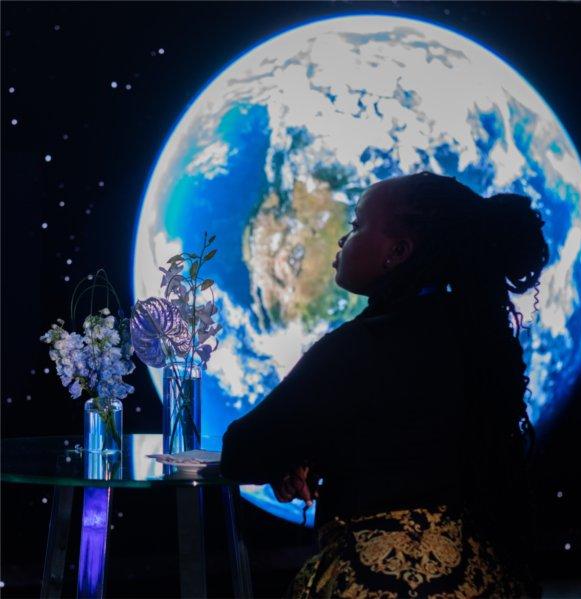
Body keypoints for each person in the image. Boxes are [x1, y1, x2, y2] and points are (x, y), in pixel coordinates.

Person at [219, 170, 549, 598]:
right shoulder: (476, 342)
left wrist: (294, 456)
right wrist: (319, 454)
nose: (343, 239)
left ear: (397, 251)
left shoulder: (356, 346)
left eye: (356, 226)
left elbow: (241, 452)